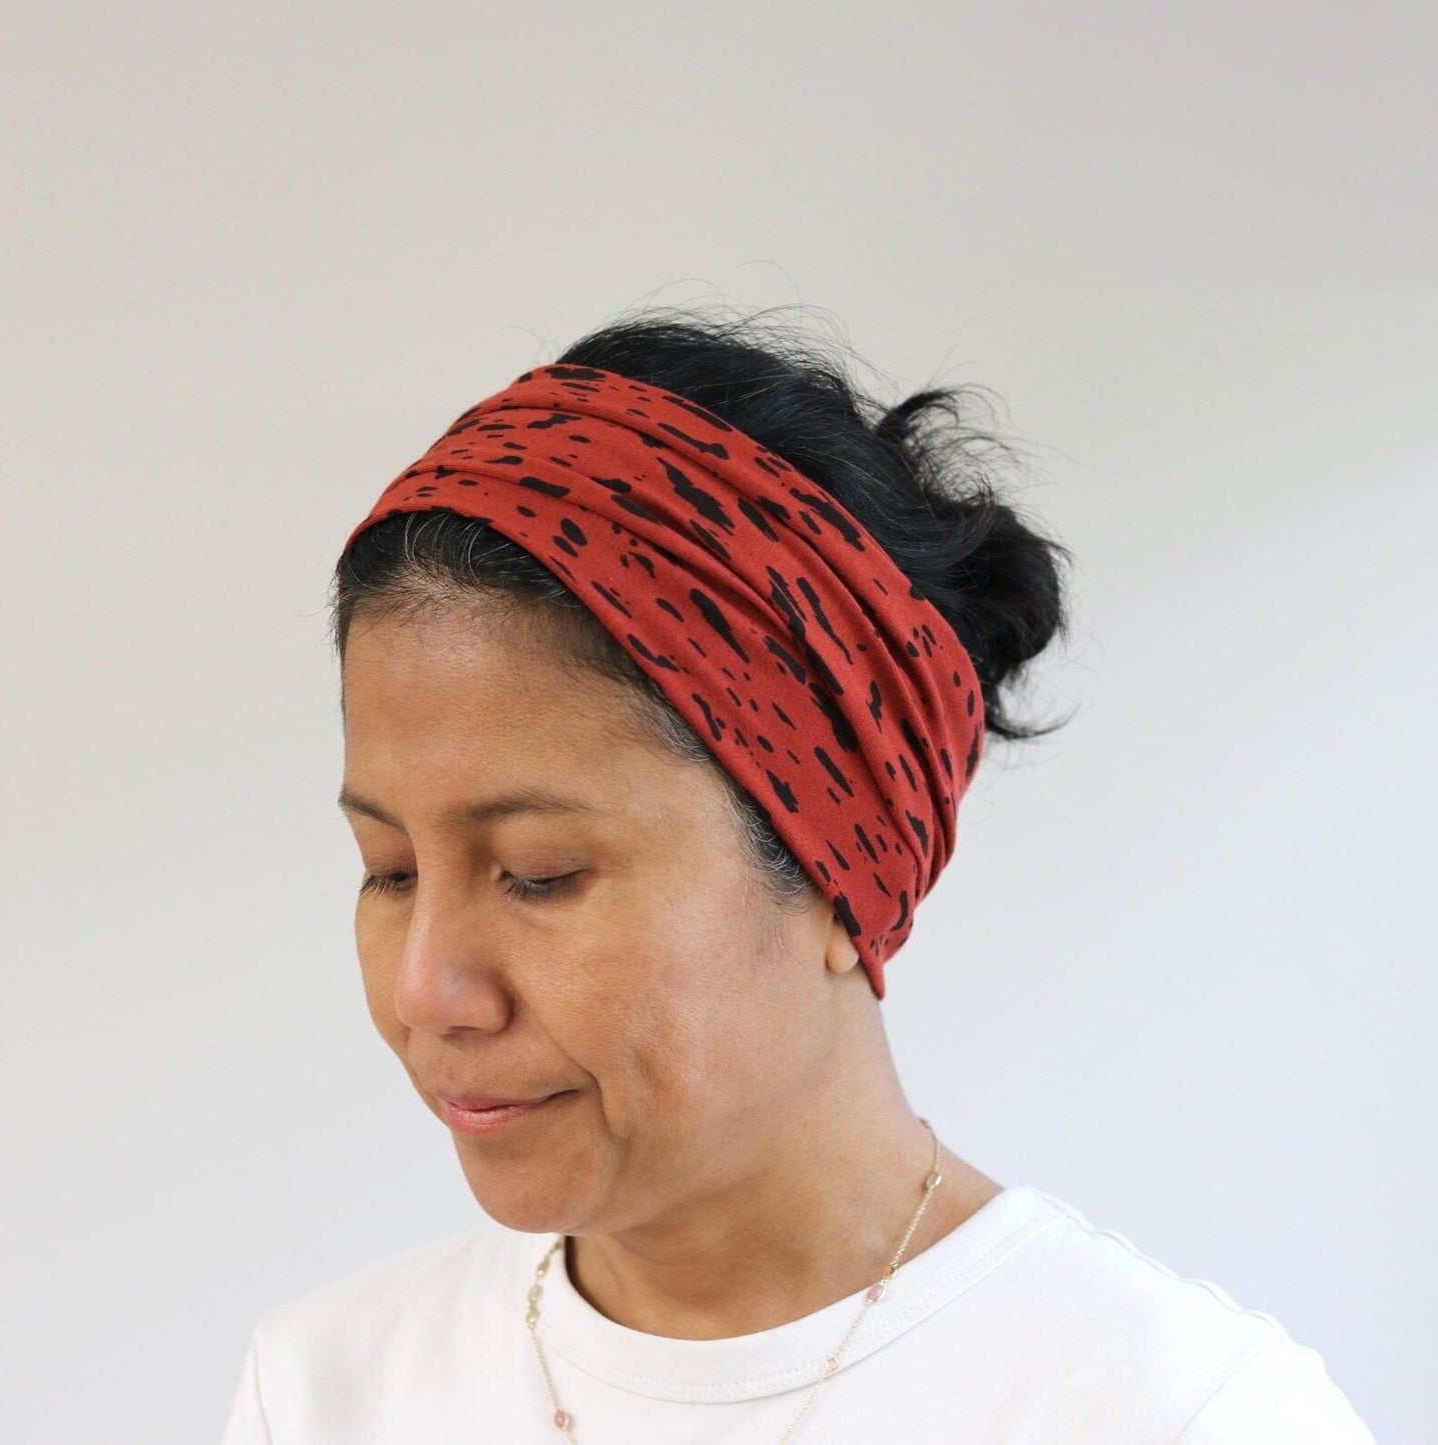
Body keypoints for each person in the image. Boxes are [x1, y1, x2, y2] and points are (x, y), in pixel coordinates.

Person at [220, 307, 1375, 1442]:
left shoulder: (1170, 1411)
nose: (427, 990)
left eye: (538, 872)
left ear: (836, 873)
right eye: (388, 870)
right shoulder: (327, 1389)